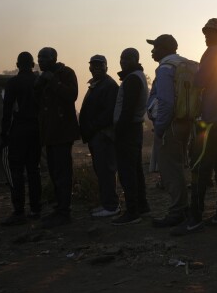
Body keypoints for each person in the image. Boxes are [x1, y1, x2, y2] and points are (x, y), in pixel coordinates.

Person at [171, 18, 217, 236]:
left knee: (200, 167)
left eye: (209, 32)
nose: (206, 36)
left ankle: (195, 218)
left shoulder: (211, 53)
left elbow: (200, 81)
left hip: (209, 120)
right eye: (205, 32)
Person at [146, 34, 191, 227]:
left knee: (171, 170)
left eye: (155, 47)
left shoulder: (165, 68)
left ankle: (176, 212)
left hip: (170, 125)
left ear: (164, 48)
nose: (152, 51)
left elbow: (166, 102)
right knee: (180, 167)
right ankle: (185, 209)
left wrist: (160, 129)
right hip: (186, 122)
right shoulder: (184, 64)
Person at [34, 47, 80, 228]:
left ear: (54, 59)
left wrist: (53, 81)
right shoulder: (42, 77)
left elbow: (71, 96)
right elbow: (37, 101)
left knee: (63, 172)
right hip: (49, 132)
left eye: (44, 57)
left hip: (62, 132)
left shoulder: (66, 73)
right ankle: (59, 207)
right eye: (39, 57)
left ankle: (64, 211)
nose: (40, 60)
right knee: (54, 172)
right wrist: (39, 84)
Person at [0, 52, 42, 226]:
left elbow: (7, 111)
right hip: (37, 130)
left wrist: (4, 135)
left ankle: (19, 211)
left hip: (19, 130)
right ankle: (35, 209)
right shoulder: (39, 81)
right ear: (33, 65)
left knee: (16, 171)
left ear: (17, 65)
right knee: (34, 170)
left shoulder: (13, 83)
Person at [111, 48, 150, 225]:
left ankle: (132, 212)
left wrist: (118, 131)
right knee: (135, 170)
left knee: (127, 172)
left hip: (128, 129)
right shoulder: (136, 76)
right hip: (134, 128)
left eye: (127, 58)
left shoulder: (133, 79)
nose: (122, 61)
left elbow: (127, 109)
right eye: (121, 58)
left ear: (135, 59)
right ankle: (142, 206)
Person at [79, 54, 120, 218]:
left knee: (106, 170)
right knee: (101, 171)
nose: (95, 68)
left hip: (103, 135)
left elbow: (109, 113)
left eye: (99, 65)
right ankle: (106, 203)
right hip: (96, 135)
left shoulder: (109, 85)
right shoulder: (97, 85)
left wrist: (92, 127)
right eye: (93, 65)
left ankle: (111, 206)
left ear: (106, 67)